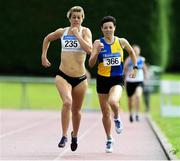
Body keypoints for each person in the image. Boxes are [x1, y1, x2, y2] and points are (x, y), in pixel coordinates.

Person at [41, 6, 92, 151]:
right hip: (63, 75)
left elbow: (89, 49)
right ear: (69, 18)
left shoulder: (85, 31)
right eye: (73, 17)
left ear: (82, 19)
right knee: (67, 102)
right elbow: (47, 38)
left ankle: (74, 135)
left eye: (79, 17)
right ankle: (64, 135)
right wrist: (44, 56)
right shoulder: (62, 32)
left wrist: (77, 35)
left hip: (81, 78)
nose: (76, 19)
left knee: (76, 110)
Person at [89, 16, 138, 153]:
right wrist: (96, 53)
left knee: (113, 101)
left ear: (114, 28)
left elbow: (132, 52)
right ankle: (109, 139)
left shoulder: (121, 42)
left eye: (110, 27)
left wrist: (135, 68)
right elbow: (91, 64)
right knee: (105, 113)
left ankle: (116, 117)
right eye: (105, 28)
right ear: (102, 29)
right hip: (102, 79)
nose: (108, 30)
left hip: (117, 79)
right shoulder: (97, 43)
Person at [124, 44, 147, 122]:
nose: (136, 52)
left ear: (139, 52)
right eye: (134, 50)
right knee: (130, 99)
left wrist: (146, 78)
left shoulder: (141, 59)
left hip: (139, 81)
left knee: (138, 96)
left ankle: (137, 114)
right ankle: (131, 114)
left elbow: (145, 69)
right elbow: (124, 69)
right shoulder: (128, 59)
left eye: (137, 50)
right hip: (130, 81)